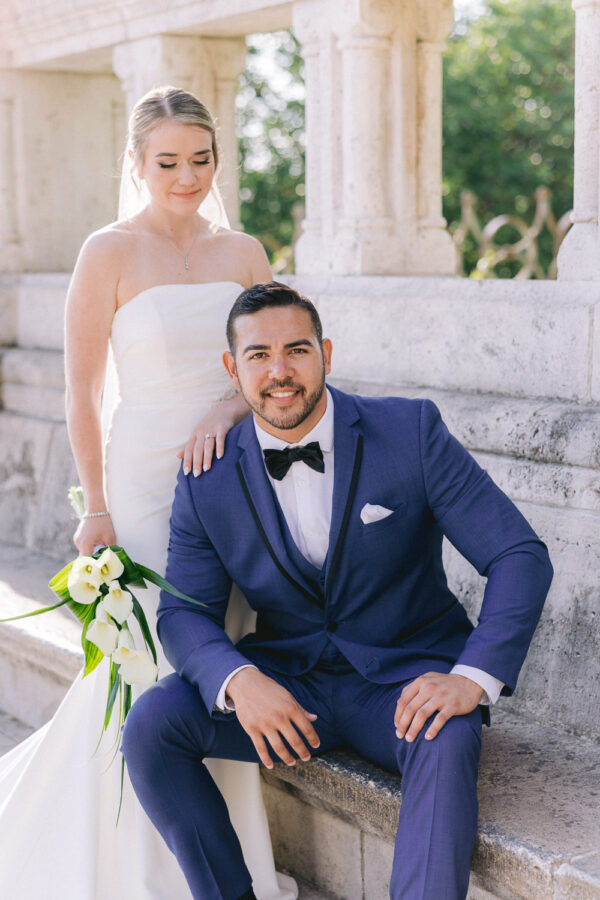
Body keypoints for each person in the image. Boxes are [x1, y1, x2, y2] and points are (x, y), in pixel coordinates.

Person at [121, 281, 554, 900]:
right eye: (258, 355)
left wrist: (471, 677)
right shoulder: (207, 476)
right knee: (153, 724)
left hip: (404, 683)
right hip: (292, 687)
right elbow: (184, 613)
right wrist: (238, 681)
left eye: (297, 350)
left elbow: (518, 554)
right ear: (232, 368)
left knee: (448, 735)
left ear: (326, 351)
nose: (279, 372)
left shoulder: (410, 431)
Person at [0, 89, 297, 900]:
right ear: (136, 164)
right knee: (155, 655)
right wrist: (95, 505)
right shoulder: (108, 252)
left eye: (201, 160)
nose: (187, 176)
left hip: (231, 480)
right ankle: (136, 862)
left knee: (224, 650)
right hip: (141, 484)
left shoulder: (243, 252)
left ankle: (223, 855)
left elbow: (272, 363)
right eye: (167, 161)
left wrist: (230, 403)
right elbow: (81, 392)